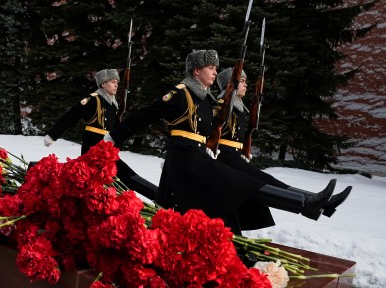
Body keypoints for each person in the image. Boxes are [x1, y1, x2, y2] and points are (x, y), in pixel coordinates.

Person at [104, 49, 338, 234]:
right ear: (196, 71)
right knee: (243, 183)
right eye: (210, 68)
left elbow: (213, 132)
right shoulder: (179, 95)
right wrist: (112, 138)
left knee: (242, 186)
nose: (215, 72)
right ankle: (306, 205)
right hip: (185, 162)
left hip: (200, 160)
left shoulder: (204, 100)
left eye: (215, 68)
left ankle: (307, 205)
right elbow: (143, 116)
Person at [215, 67, 352, 228]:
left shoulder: (236, 106)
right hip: (225, 158)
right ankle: (310, 203)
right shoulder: (222, 105)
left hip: (234, 157)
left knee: (268, 180)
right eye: (242, 81)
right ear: (231, 84)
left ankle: (320, 202)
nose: (246, 85)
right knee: (263, 183)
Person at [43, 69, 157, 200]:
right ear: (103, 84)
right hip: (92, 150)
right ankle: (157, 195)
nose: (116, 85)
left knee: (121, 177)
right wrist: (53, 135)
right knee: (108, 179)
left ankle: (155, 195)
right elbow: (70, 116)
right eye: (113, 82)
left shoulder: (112, 104)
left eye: (117, 83)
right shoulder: (92, 100)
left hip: (106, 151)